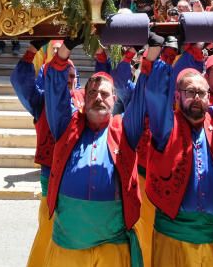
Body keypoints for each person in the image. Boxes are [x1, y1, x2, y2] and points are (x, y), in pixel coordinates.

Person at [43, 42, 145, 265]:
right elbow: (53, 88)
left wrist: (151, 57)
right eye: (92, 92)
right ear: (83, 98)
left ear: (114, 100)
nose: (98, 97)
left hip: (112, 245)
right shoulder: (65, 124)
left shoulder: (126, 129)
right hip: (69, 246)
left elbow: (144, 97)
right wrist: (65, 50)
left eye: (104, 93)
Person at [140, 42, 213, 266]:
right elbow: (154, 93)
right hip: (173, 240)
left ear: (208, 97)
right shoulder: (167, 126)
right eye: (190, 92)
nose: (196, 97)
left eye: (201, 93)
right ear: (177, 97)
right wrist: (167, 55)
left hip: (211, 240)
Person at [11, 41, 81, 267]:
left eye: (71, 77)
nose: (67, 81)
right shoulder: (41, 101)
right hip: (50, 173)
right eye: (63, 77)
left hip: (75, 174)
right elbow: (21, 83)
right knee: (48, 229)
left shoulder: (83, 101)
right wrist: (31, 52)